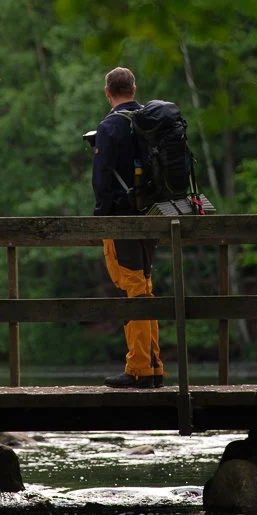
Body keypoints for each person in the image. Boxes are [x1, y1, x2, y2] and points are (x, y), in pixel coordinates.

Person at [92, 67, 164, 389]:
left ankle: (139, 368)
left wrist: (101, 217)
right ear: (134, 88)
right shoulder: (153, 123)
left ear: (108, 93)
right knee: (145, 286)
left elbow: (102, 180)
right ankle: (153, 364)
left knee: (132, 287)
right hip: (153, 215)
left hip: (122, 218)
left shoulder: (109, 127)